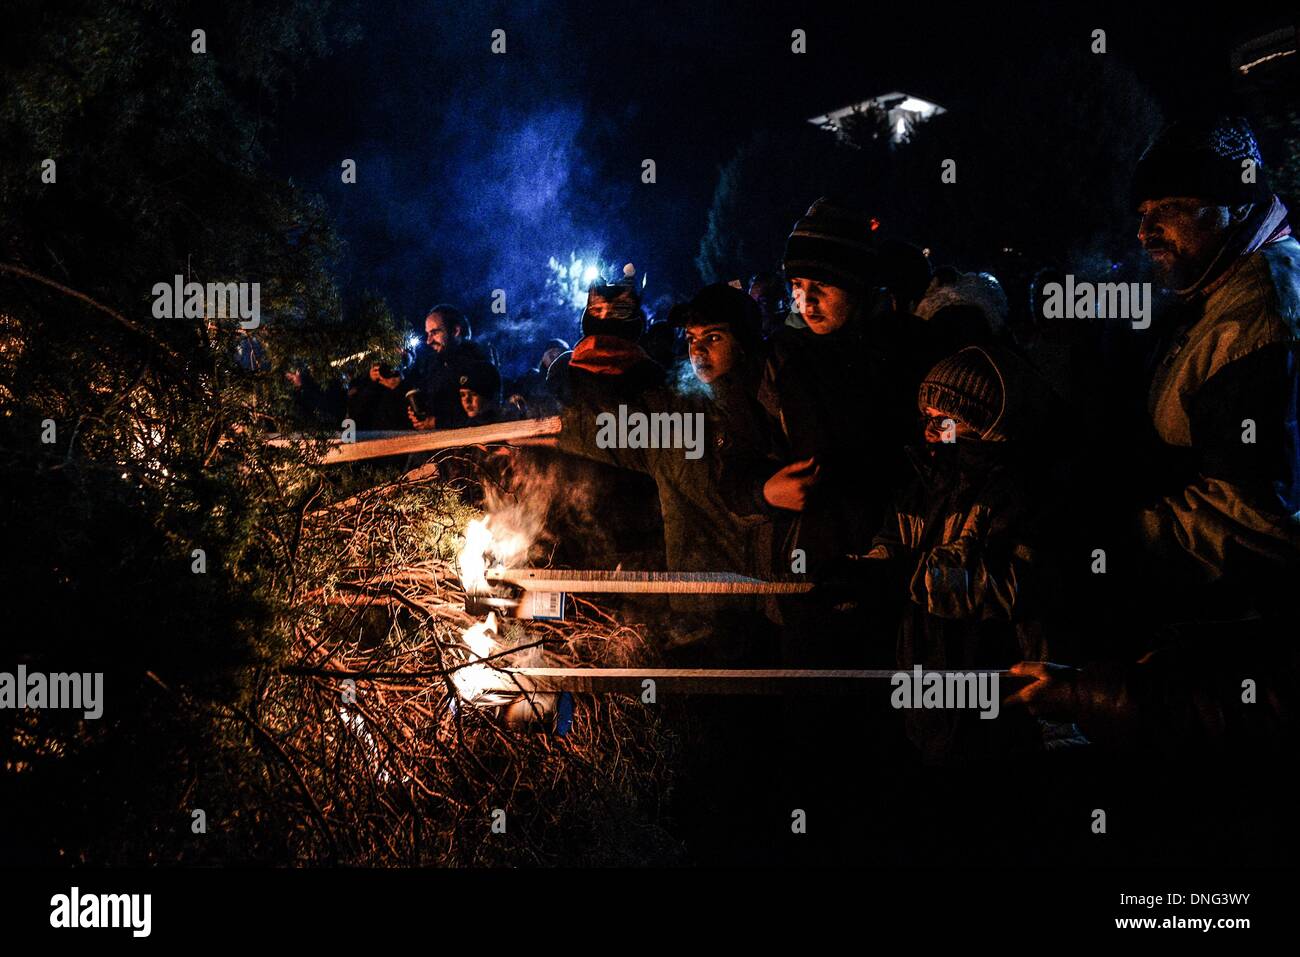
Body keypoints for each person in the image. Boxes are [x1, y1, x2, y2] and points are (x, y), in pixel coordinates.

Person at [863, 346, 1072, 762]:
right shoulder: (924, 485)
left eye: (946, 420)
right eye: (926, 416)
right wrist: (863, 570)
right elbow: (894, 543)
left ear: (987, 425)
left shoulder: (1021, 494)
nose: (929, 431)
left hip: (1004, 694)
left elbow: (1011, 587)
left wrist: (909, 576)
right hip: (928, 687)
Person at [404, 304, 493, 431]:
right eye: (428, 334)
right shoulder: (434, 363)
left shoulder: (478, 366)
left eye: (434, 333)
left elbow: (482, 416)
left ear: (456, 331)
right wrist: (419, 413)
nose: (429, 341)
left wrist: (439, 423)